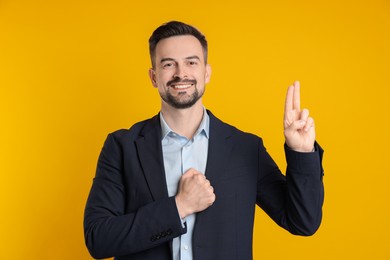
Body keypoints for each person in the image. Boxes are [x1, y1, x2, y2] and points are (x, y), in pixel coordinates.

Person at [84, 21, 324, 260]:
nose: (181, 73)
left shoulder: (246, 148)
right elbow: (99, 238)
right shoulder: (122, 147)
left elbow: (302, 222)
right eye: (168, 64)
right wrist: (179, 206)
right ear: (154, 76)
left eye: (191, 62)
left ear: (206, 72)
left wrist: (301, 153)